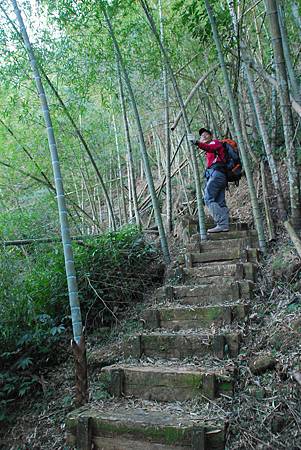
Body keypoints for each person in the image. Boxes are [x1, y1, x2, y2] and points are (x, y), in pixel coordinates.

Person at [189, 128, 229, 233]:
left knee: (208, 199)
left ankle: (221, 223)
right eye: (202, 136)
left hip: (217, 175)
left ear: (211, 136)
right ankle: (224, 225)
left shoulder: (215, 143)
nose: (204, 136)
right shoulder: (209, 150)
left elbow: (210, 148)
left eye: (206, 134)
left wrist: (197, 143)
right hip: (220, 176)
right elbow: (208, 149)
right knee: (220, 202)